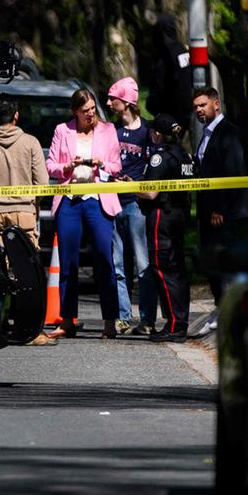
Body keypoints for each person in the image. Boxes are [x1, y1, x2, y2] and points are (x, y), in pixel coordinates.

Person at [0, 98, 57, 346]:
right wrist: (34, 209)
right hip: (24, 214)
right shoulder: (30, 143)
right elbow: (43, 183)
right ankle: (31, 331)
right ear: (16, 116)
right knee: (29, 277)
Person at [46, 88, 123, 339]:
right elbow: (51, 166)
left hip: (98, 200)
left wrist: (101, 165)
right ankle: (67, 319)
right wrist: (68, 166)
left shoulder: (108, 130)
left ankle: (110, 320)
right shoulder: (62, 130)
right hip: (70, 200)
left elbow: (116, 166)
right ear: (75, 112)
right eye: (85, 110)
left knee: (103, 258)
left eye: (92, 109)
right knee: (68, 262)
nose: (90, 114)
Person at [190, 85, 246, 336]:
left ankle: (228, 313)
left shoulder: (228, 134)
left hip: (223, 215)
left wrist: (220, 209)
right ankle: (220, 308)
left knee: (223, 263)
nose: (199, 110)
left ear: (216, 104)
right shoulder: (206, 134)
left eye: (202, 105)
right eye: (196, 108)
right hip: (207, 212)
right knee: (213, 263)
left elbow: (233, 173)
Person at [135, 113, 194, 341]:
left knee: (164, 270)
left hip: (163, 217)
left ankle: (174, 326)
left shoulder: (160, 157)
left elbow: (150, 192)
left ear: (157, 133)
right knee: (177, 271)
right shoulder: (184, 156)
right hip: (179, 216)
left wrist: (127, 187)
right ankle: (179, 322)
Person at [104, 77, 154, 336]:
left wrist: (139, 184)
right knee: (118, 265)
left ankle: (147, 319)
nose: (109, 103)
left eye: (113, 98)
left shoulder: (147, 131)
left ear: (126, 102)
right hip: (113, 203)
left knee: (143, 264)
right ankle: (123, 317)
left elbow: (156, 164)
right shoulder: (110, 131)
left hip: (136, 204)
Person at [144, 17, 194, 128]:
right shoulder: (183, 50)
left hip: (172, 115)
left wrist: (151, 104)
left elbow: (159, 88)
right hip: (189, 110)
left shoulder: (165, 58)